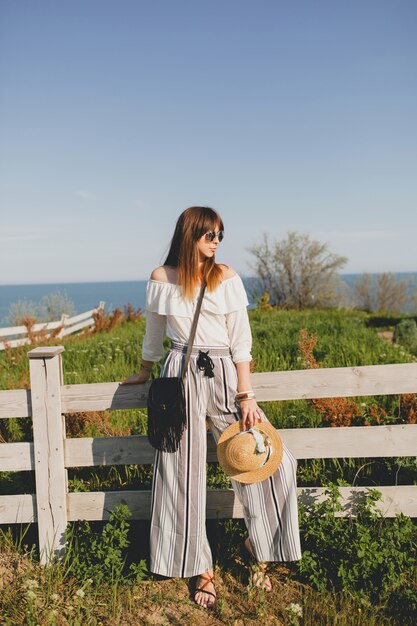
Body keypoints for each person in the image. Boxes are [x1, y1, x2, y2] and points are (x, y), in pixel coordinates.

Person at [120, 206, 302, 609]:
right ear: (190, 235)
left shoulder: (227, 277)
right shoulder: (161, 278)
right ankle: (199, 566)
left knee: (274, 461)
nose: (216, 240)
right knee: (180, 472)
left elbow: (241, 339)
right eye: (209, 234)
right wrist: (143, 370)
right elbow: (153, 331)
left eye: (220, 234)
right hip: (179, 371)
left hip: (222, 371)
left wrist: (246, 393)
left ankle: (259, 547)